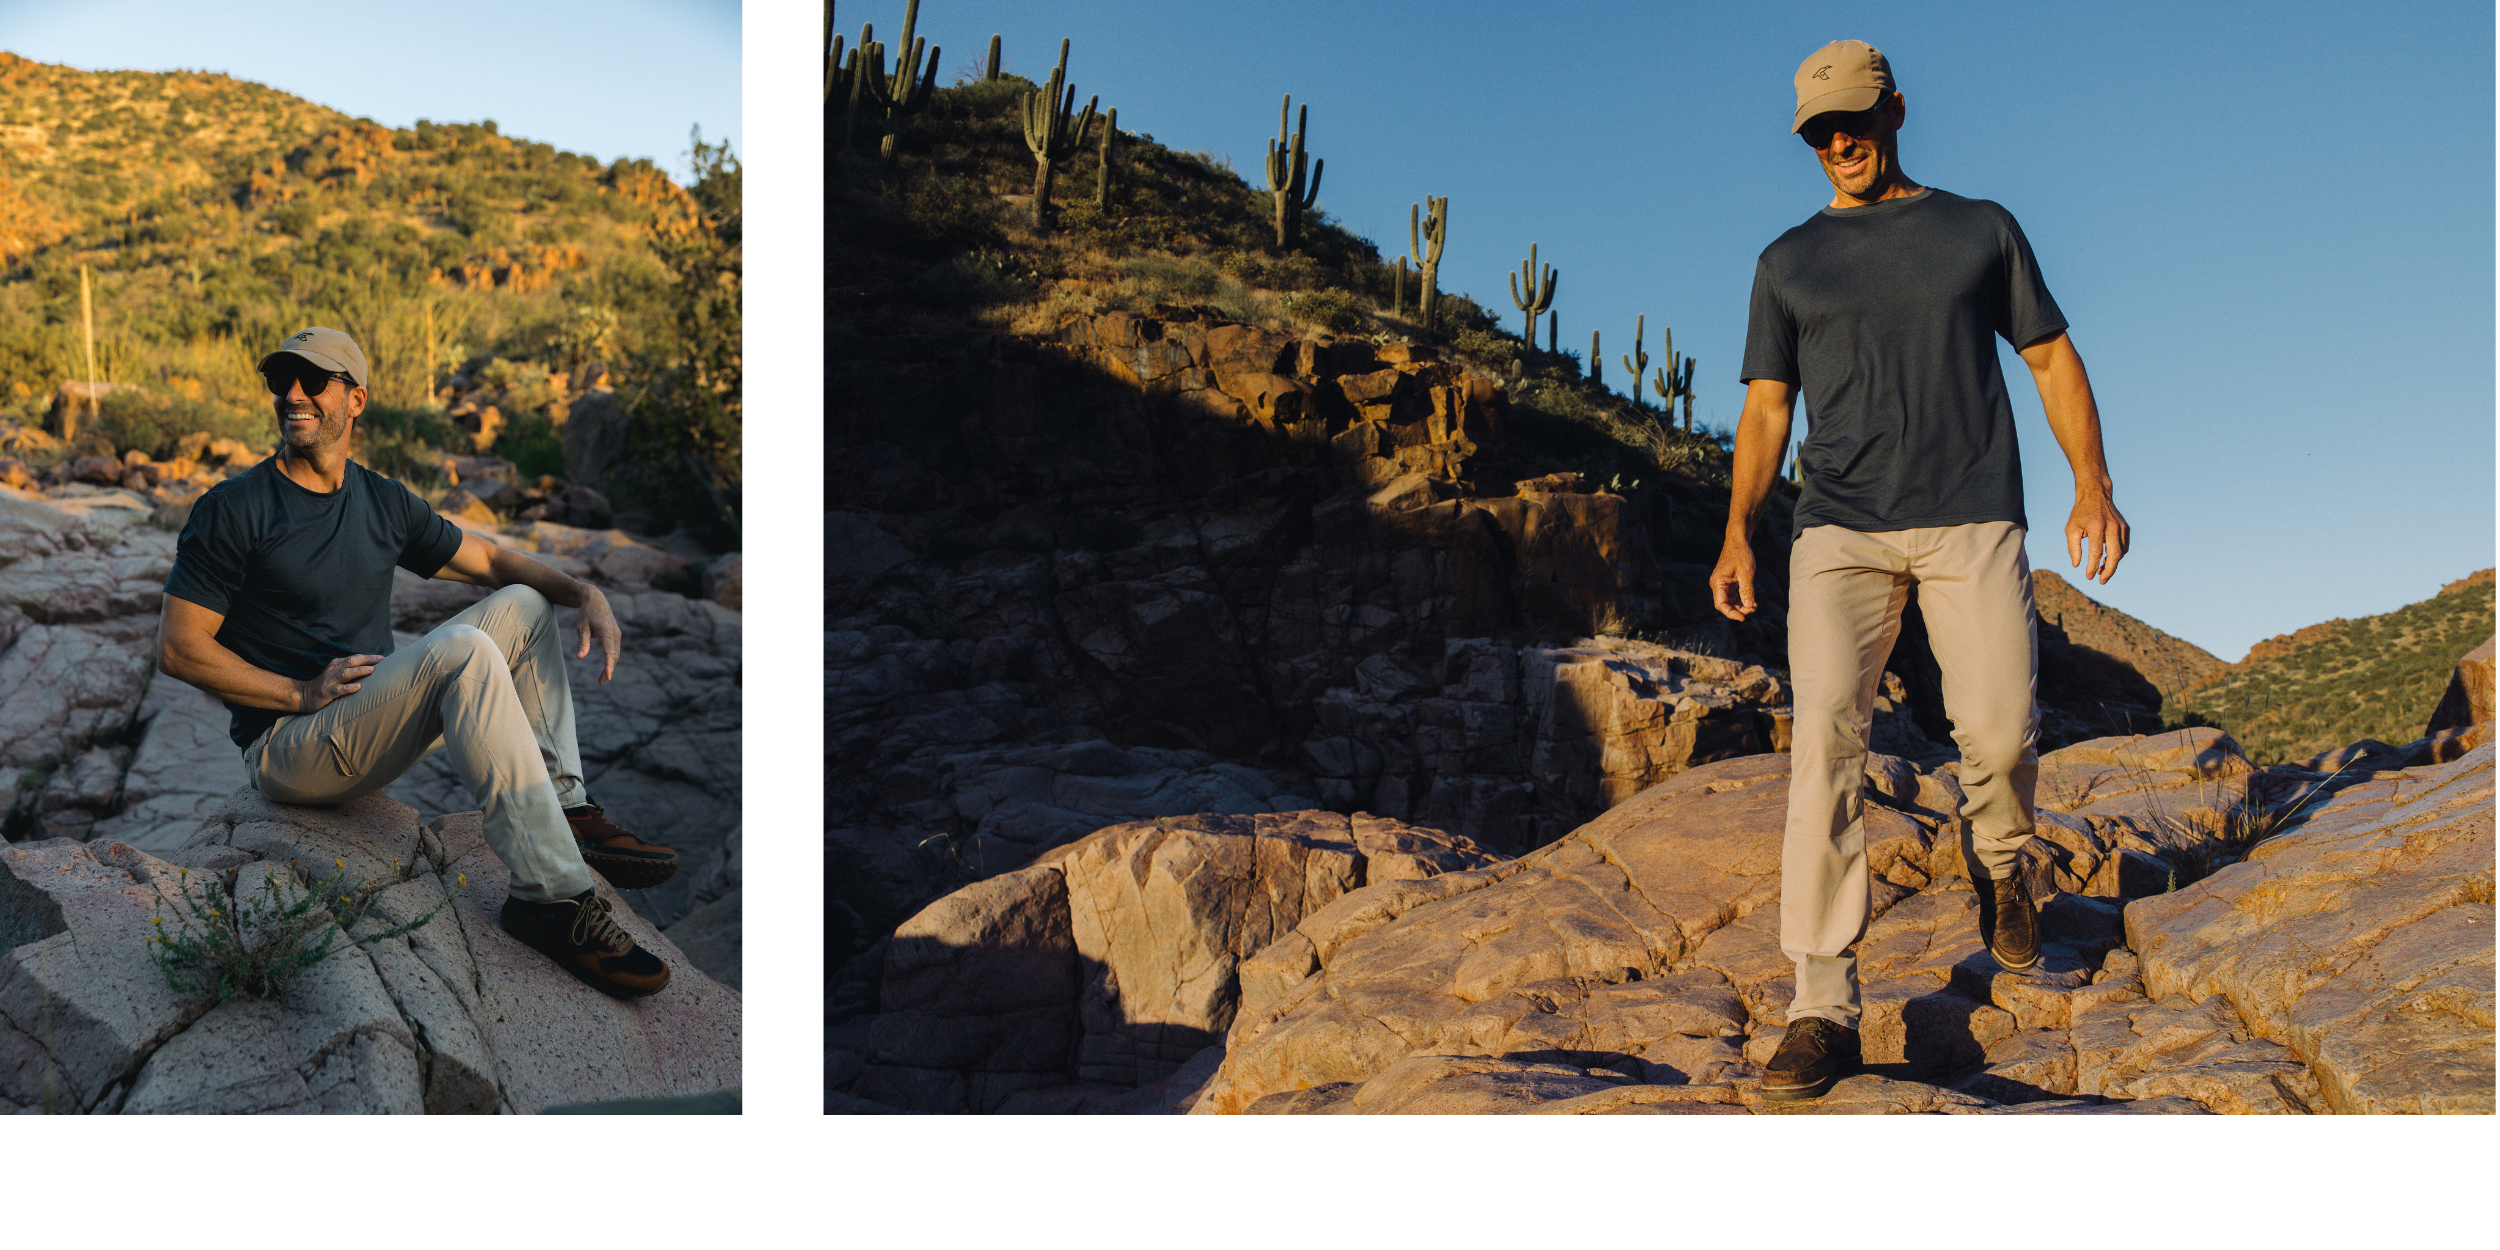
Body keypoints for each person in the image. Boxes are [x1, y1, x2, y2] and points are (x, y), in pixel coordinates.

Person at [1712, 42, 2129, 1100]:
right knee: (1825, 751)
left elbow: (2048, 355)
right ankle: (1820, 1005)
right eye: (1816, 132)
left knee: (1996, 726)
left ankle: (2000, 854)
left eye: (1852, 120)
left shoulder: (1978, 228)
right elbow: (1767, 407)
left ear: (1894, 109)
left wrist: (2093, 484)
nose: (1836, 143)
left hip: (1971, 514)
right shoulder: (1786, 262)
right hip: (1838, 530)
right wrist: (1736, 531)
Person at [156, 326, 683, 1000]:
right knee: (464, 651)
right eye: (281, 380)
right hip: (288, 748)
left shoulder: (380, 500)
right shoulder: (233, 508)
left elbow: (489, 560)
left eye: (313, 380)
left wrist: (583, 591)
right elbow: (179, 646)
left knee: (522, 604)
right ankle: (550, 900)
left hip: (361, 717)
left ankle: (564, 808)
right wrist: (295, 692)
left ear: (355, 400)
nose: (292, 394)